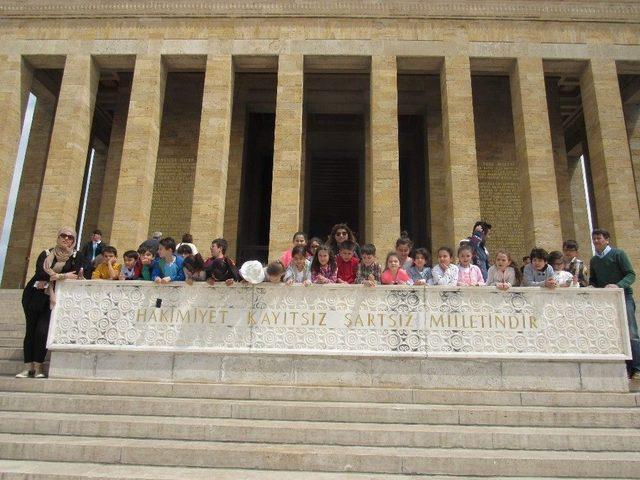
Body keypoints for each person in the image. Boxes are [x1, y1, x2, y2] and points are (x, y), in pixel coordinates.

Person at [18, 227, 84, 378]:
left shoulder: (75, 256)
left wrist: (55, 276)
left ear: (74, 241)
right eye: (63, 236)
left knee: (42, 331)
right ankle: (28, 367)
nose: (66, 239)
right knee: (31, 331)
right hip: (34, 295)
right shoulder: (46, 254)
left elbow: (76, 273)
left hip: (52, 298)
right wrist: (63, 275)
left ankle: (39, 366)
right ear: (58, 237)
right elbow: (40, 273)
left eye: (70, 237)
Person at [589, 228, 640, 379]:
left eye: (599, 238)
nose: (596, 241)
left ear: (607, 240)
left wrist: (618, 285)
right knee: (614, 332)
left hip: (624, 297)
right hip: (606, 301)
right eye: (594, 238)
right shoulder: (594, 260)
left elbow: (631, 274)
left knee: (631, 332)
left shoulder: (618, 254)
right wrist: (592, 285)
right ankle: (625, 367)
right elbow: (594, 279)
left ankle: (637, 367)